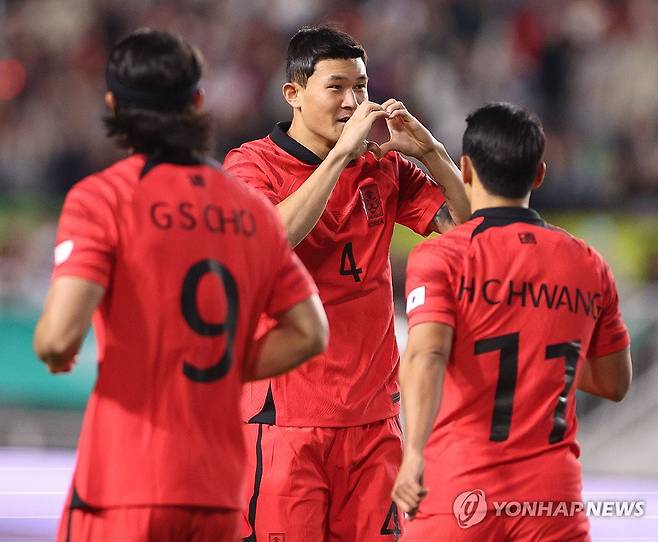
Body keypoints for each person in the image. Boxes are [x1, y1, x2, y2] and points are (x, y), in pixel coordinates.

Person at [33, 28, 328, 542]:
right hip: (216, 490)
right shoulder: (249, 210)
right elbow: (308, 332)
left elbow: (59, 337)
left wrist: (55, 352)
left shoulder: (103, 198)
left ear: (112, 106)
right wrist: (227, 362)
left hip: (123, 483)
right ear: (196, 101)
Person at [223, 25, 470, 541]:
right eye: (336, 87)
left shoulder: (381, 169)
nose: (353, 102)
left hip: (375, 421)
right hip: (286, 420)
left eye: (360, 87)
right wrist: (338, 158)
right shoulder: (249, 166)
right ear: (293, 93)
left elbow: (470, 230)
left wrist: (430, 151)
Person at [392, 102, 632, 541]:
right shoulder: (587, 264)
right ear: (539, 174)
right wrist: (536, 358)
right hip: (552, 499)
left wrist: (413, 456)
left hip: (459, 490)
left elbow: (426, 354)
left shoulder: (441, 256)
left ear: (465, 170)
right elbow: (615, 383)